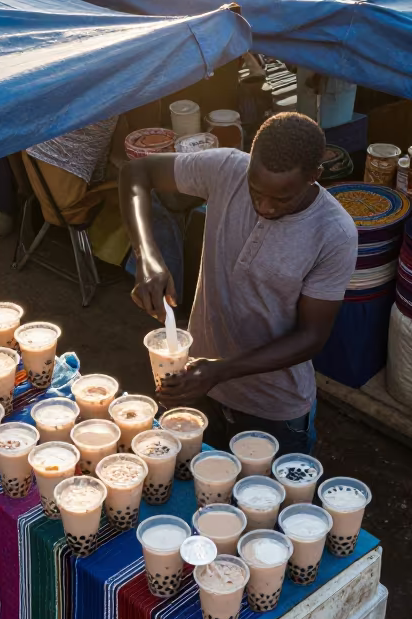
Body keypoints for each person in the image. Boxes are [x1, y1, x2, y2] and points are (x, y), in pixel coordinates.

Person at [120, 112, 358, 454]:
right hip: (199, 387)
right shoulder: (227, 169)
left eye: (281, 199)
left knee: (266, 503)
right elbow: (135, 174)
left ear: (314, 177)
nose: (264, 207)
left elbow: (311, 337)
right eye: (255, 191)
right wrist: (148, 257)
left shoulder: (334, 234)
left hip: (273, 410)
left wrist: (222, 370)